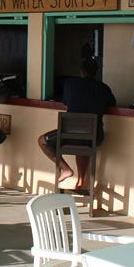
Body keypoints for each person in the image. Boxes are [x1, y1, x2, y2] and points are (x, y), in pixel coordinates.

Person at [37, 58, 116, 193]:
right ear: (96, 72)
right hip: (94, 136)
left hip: (69, 134)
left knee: (42, 141)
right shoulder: (103, 88)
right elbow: (112, 104)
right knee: (83, 141)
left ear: (81, 71)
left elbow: (66, 102)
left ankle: (66, 169)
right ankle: (80, 182)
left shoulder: (70, 84)